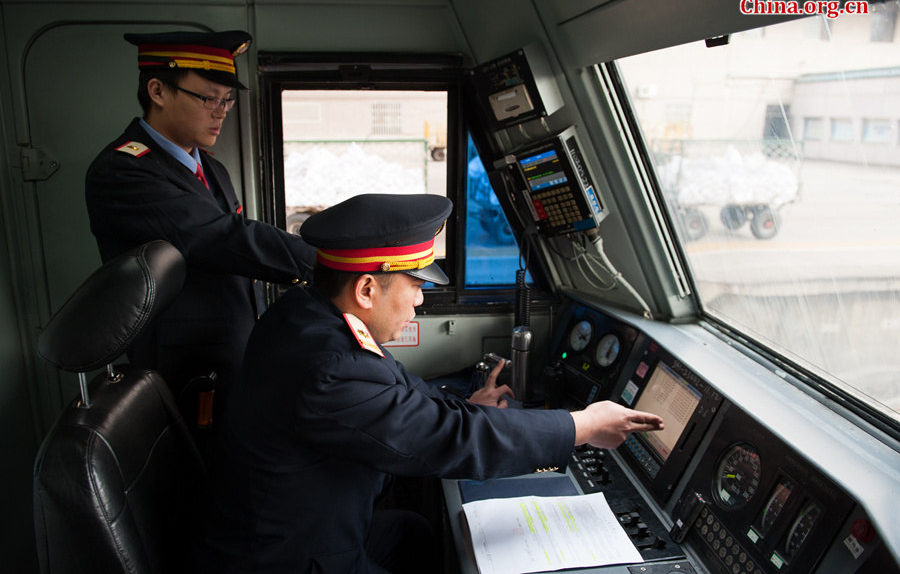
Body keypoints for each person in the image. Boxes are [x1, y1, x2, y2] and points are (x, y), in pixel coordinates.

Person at [197, 193, 664, 573]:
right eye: (416, 286)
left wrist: (469, 401)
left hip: (298, 525)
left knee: (415, 534)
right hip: (284, 558)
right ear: (366, 290)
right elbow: (448, 439)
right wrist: (580, 425)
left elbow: (396, 387)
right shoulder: (330, 367)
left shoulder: (306, 313)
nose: (419, 302)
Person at [84, 30, 316, 419]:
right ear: (157, 91)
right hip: (183, 370)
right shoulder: (123, 170)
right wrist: (327, 260)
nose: (221, 110)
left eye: (226, 100)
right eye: (208, 98)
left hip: (232, 353)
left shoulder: (210, 167)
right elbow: (220, 237)